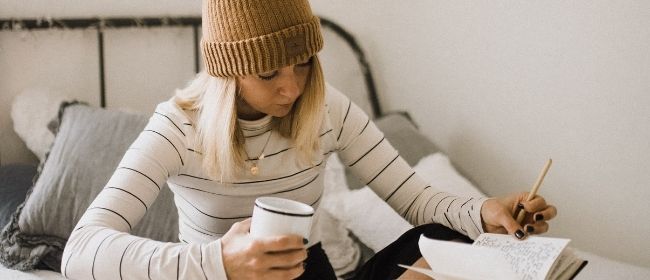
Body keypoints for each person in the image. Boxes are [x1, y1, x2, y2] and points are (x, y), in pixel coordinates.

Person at [61, 0, 557, 279]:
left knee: (449, 241)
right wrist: (218, 262)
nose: (292, 87)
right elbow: (79, 250)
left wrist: (484, 212)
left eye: (302, 63)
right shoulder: (178, 128)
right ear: (229, 74)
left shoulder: (327, 109)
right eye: (268, 73)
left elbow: (418, 199)